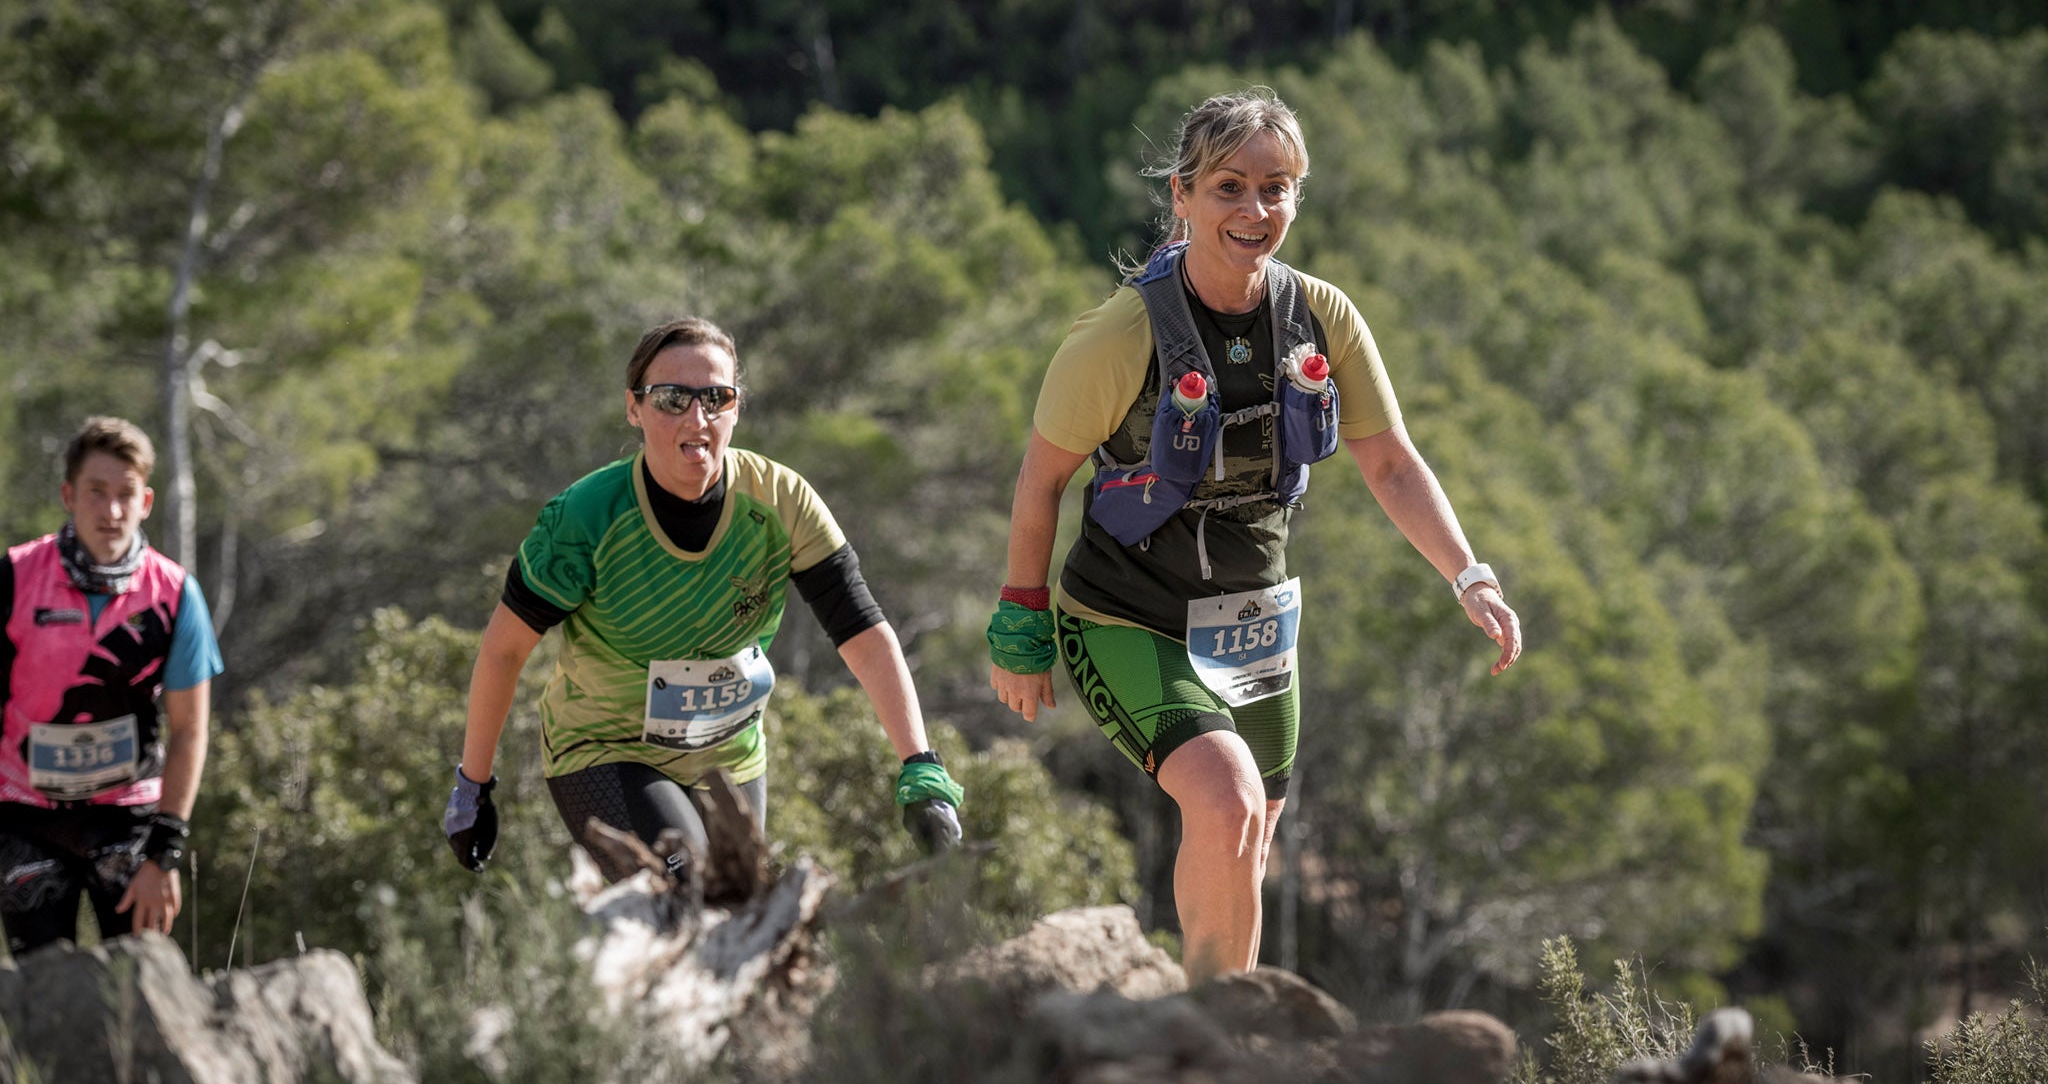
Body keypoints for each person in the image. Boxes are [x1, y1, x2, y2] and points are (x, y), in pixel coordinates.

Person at [987, 88, 1522, 983]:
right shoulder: (1119, 337)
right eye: (1229, 187)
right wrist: (1020, 617)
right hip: (1127, 616)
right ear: (1182, 197)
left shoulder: (1322, 316)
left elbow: (1391, 463)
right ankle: (1205, 1024)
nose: (1254, 210)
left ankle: (1228, 1023)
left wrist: (1469, 574)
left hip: (1256, 626)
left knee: (1253, 831)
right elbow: (1041, 481)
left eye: (1276, 189)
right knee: (1226, 793)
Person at [445, 316, 963, 880]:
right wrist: (473, 785)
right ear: (634, 408)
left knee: (742, 910)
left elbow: (862, 632)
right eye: (671, 399)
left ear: (737, 407)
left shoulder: (782, 501)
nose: (697, 418)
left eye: (716, 397)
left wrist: (921, 764)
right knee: (687, 881)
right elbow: (504, 650)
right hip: (609, 749)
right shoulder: (586, 517)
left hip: (729, 757)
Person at [0, 417, 222, 956]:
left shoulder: (174, 595)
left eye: (126, 494)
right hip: (25, 813)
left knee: (142, 987)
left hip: (128, 821)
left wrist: (165, 853)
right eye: (97, 492)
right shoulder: (13, 577)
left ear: (146, 501)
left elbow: (190, 730)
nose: (112, 511)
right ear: (68, 495)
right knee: (44, 992)